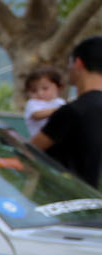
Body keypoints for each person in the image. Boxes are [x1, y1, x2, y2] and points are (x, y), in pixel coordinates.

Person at [33, 36, 102, 188]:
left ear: (78, 63)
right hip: (93, 197)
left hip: (61, 194)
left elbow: (30, 150)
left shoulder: (72, 111)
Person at [22, 66, 65, 133]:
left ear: (58, 88)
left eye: (45, 88)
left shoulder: (60, 102)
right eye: (34, 90)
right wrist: (59, 110)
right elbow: (36, 115)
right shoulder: (32, 103)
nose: (40, 93)